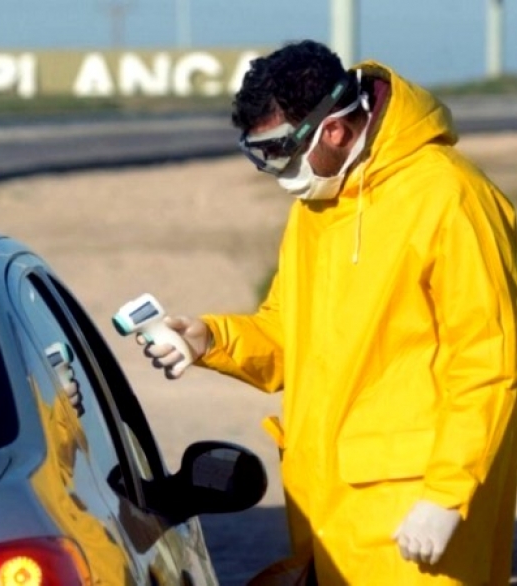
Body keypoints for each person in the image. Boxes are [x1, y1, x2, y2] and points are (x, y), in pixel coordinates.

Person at [135, 39, 517, 585]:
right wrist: (208, 339)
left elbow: (490, 365)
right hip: (329, 516)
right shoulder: (318, 205)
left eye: (280, 151)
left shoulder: (452, 199)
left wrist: (447, 496)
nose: (276, 170)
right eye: (260, 154)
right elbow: (289, 337)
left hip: (421, 519)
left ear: (334, 130)